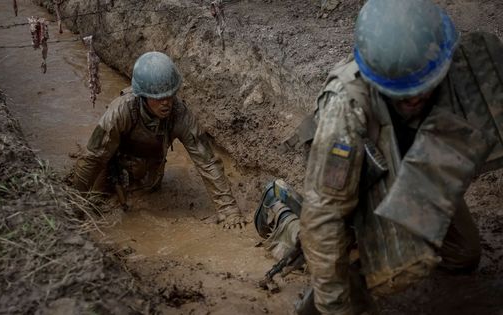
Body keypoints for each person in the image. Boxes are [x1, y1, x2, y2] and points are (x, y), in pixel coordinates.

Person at [255, 0, 503, 313]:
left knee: (463, 253)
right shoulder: (344, 113)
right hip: (363, 170)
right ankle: (281, 210)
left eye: (423, 87)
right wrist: (334, 306)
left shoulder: (445, 57)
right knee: (353, 263)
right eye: (404, 93)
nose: (415, 98)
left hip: (416, 161)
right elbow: (325, 216)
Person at [72, 51, 246, 229]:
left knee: (147, 195)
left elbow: (207, 161)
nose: (166, 103)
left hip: (148, 171)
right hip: (110, 166)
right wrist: (73, 206)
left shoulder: (180, 116)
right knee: (96, 199)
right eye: (159, 97)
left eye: (170, 95)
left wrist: (228, 209)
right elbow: (92, 157)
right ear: (144, 97)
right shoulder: (119, 112)